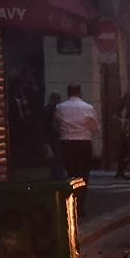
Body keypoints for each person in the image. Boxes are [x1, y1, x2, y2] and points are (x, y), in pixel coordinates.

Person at [53, 84, 98, 215]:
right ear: (79, 92)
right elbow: (94, 128)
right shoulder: (88, 108)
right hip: (84, 142)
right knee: (83, 175)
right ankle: (80, 205)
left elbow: (55, 124)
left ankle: (71, 203)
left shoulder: (60, 107)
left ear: (68, 93)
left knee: (70, 175)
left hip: (66, 142)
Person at [41, 91, 64, 177]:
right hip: (56, 135)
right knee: (58, 156)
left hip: (49, 136)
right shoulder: (58, 110)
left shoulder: (46, 109)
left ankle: (55, 173)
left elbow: (43, 125)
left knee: (56, 156)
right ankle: (58, 173)